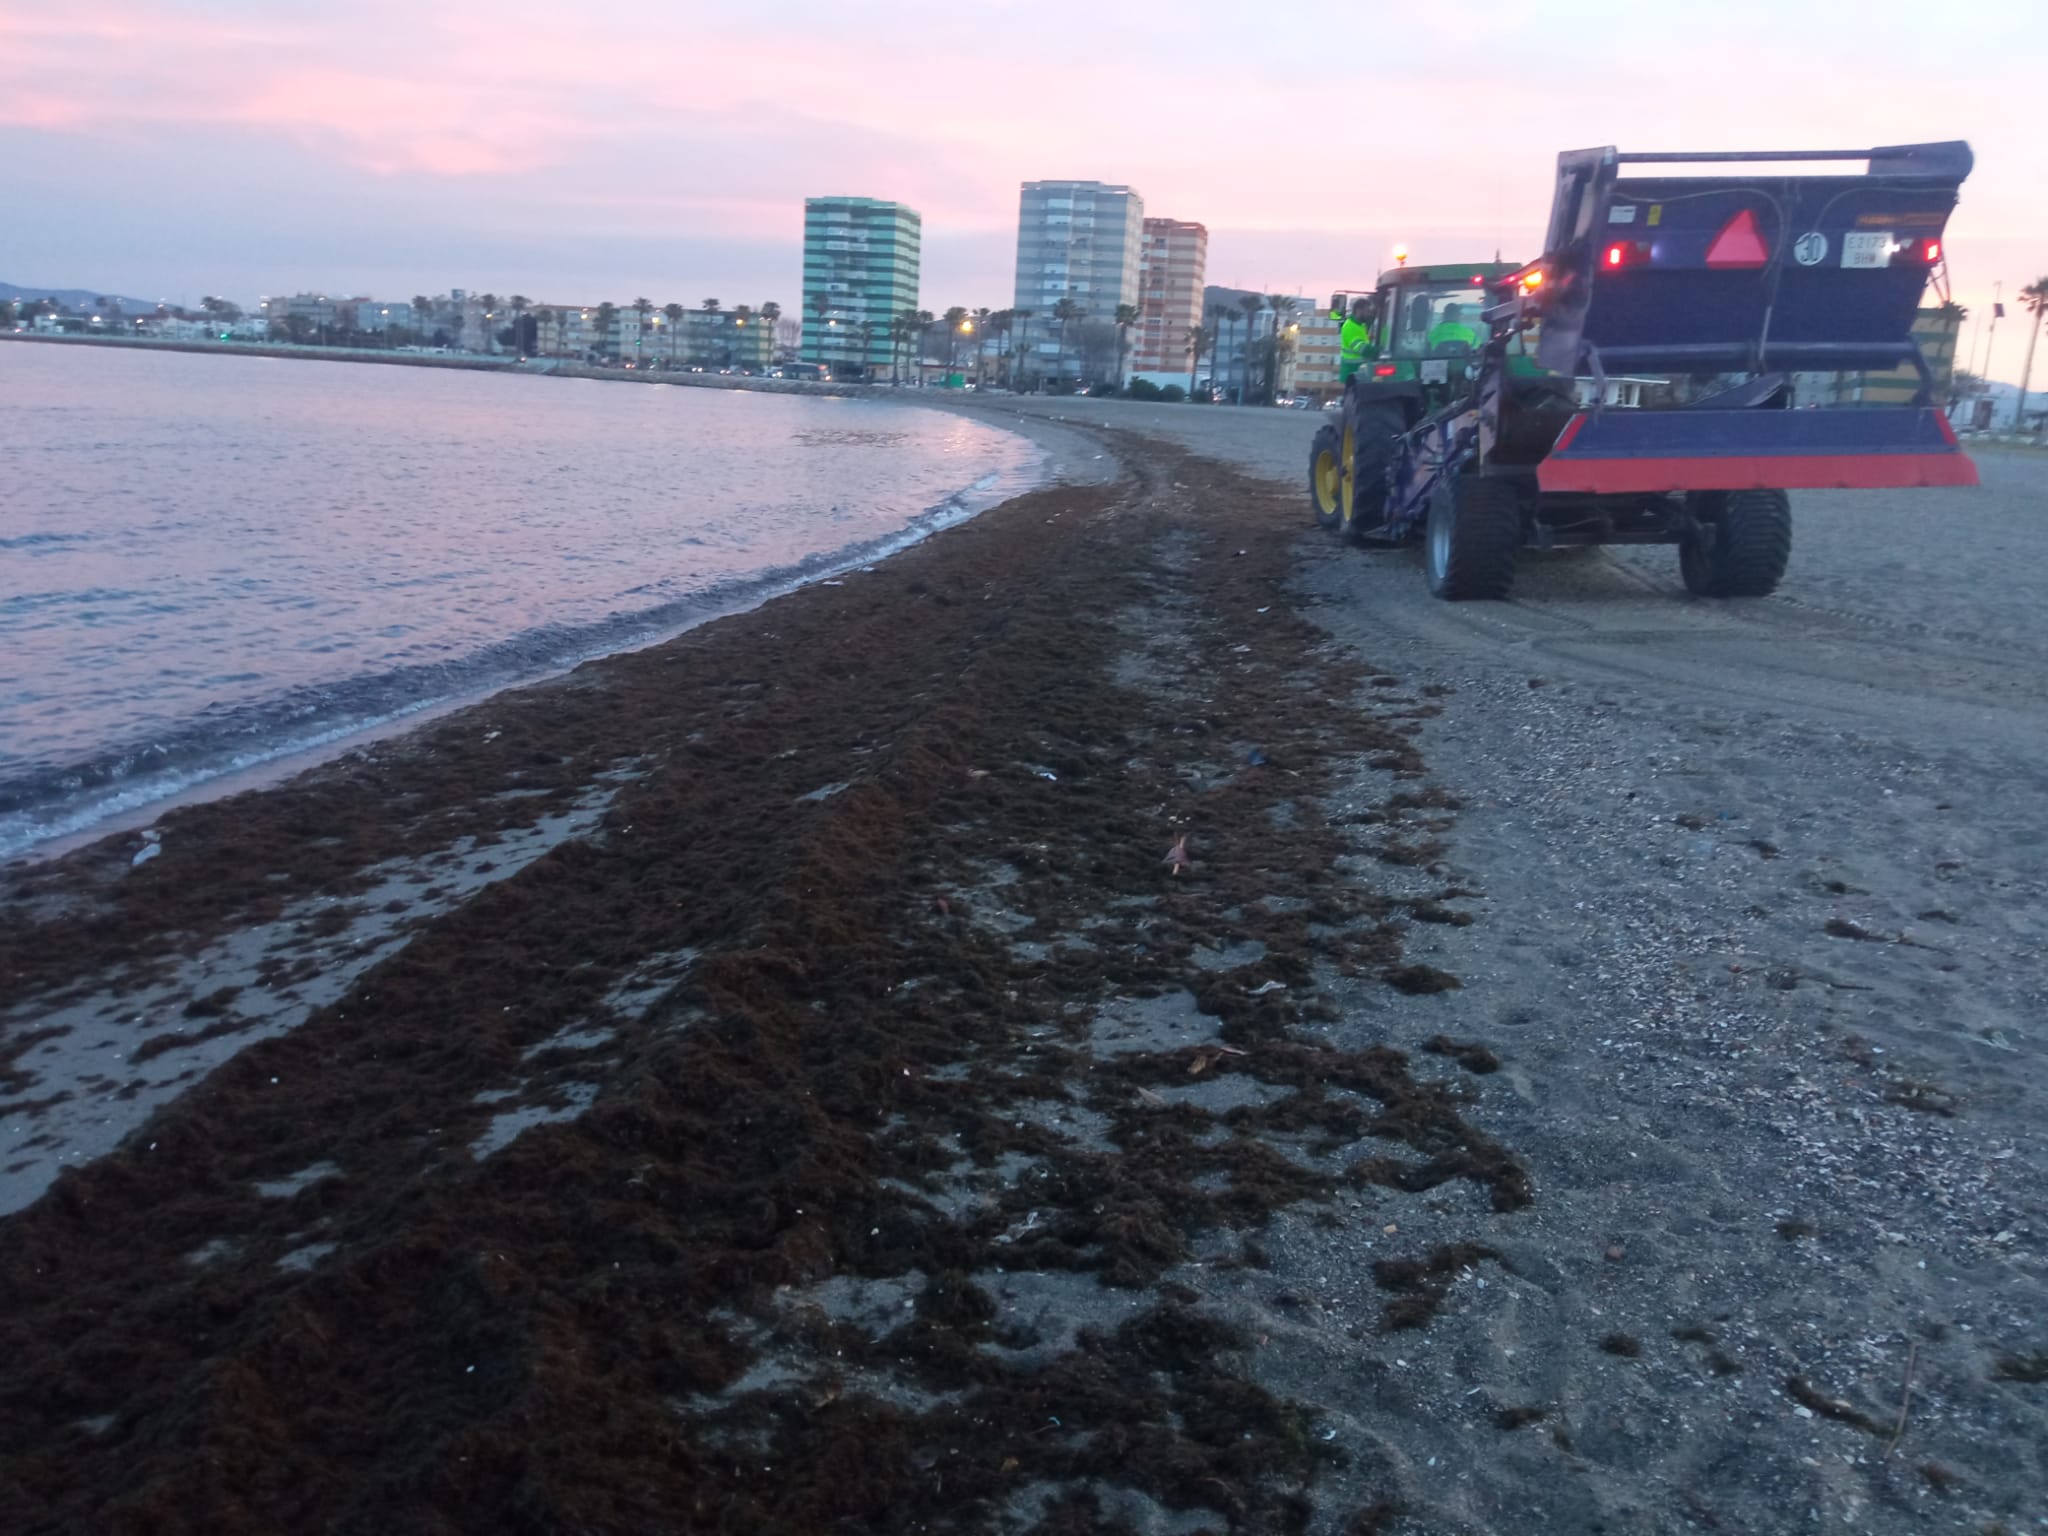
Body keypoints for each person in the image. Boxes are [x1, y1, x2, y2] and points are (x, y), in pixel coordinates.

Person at [1333, 297, 1376, 384]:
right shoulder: (1349, 327)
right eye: (1367, 311)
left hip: (1359, 372)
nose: (1369, 314)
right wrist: (1380, 350)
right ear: (1359, 310)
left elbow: (1369, 321)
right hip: (1352, 374)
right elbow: (1363, 350)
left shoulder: (1360, 324)